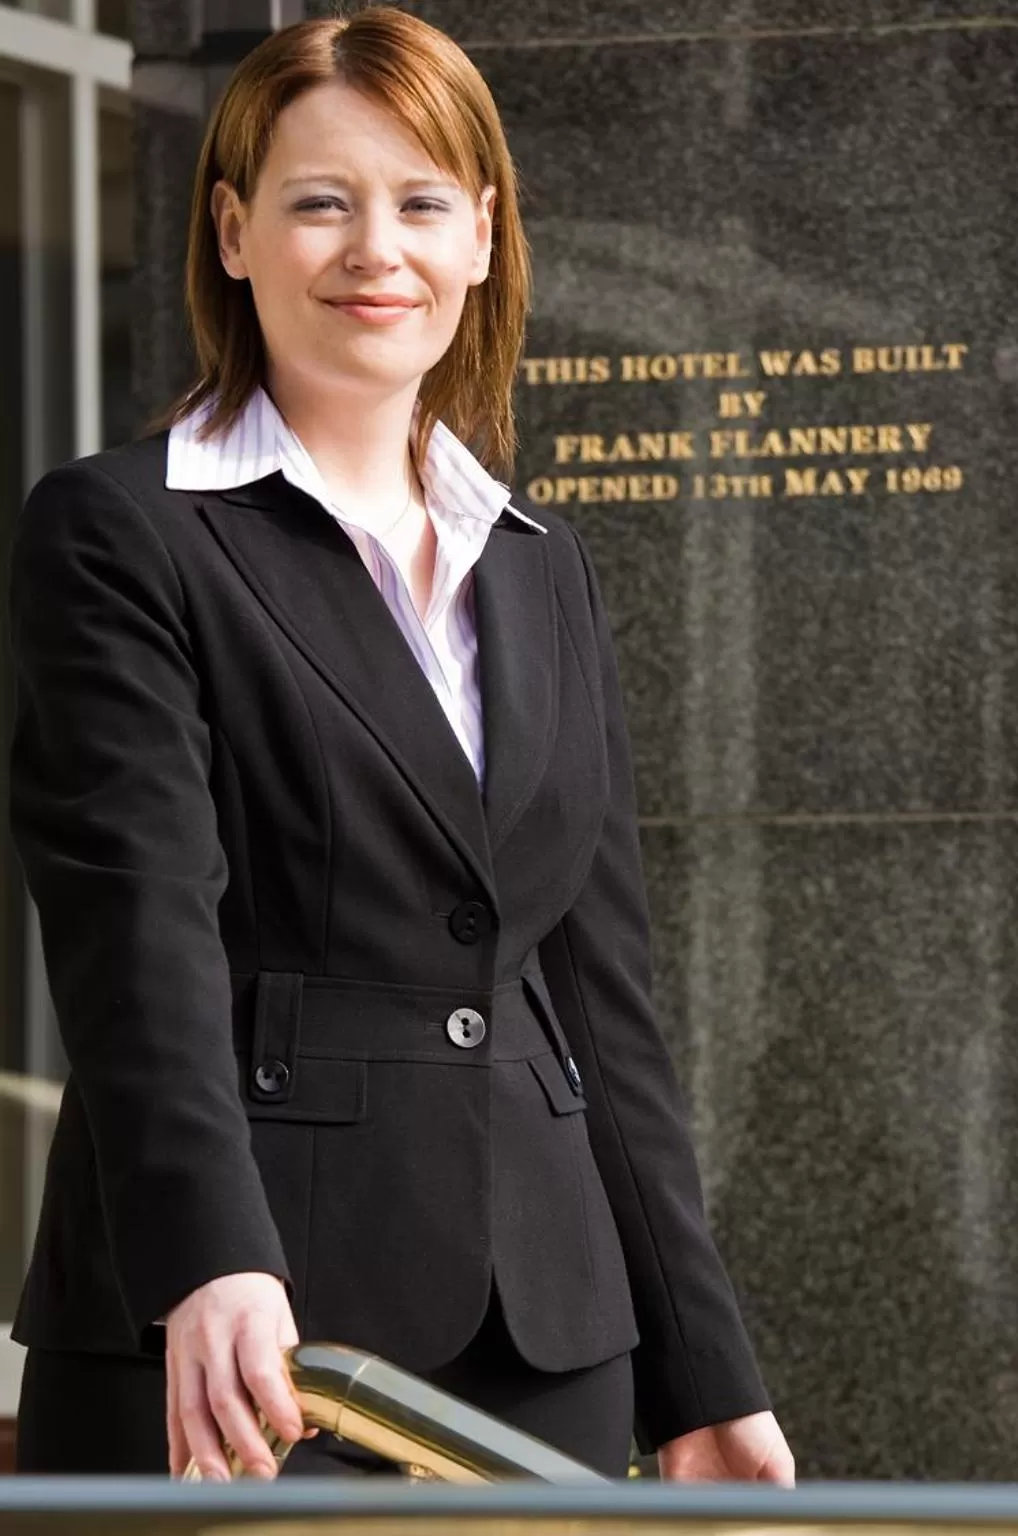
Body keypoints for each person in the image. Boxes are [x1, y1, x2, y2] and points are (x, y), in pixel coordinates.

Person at [6, 7, 792, 1485]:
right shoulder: (123, 532)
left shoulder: (539, 563)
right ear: (234, 233)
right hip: (253, 1333)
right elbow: (136, 931)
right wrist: (208, 1261)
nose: (378, 249)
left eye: (423, 203)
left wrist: (702, 1365)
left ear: (483, 239)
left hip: (547, 1337)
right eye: (322, 202)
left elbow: (593, 988)